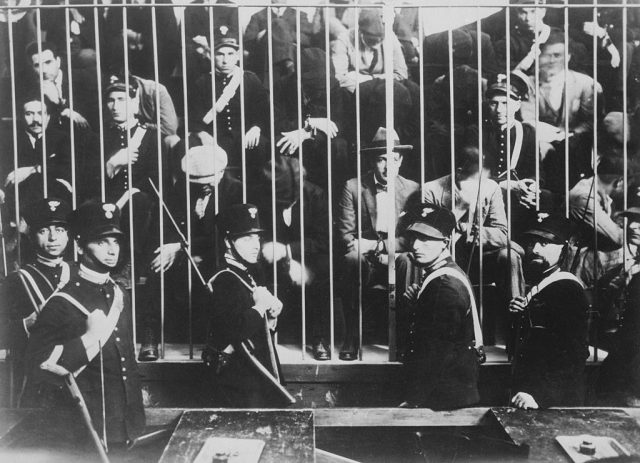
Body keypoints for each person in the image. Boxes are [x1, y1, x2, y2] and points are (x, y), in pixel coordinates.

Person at [22, 200, 145, 445]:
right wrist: (87, 339)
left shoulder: (121, 293)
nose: (112, 250)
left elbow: (127, 357)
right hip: (87, 423)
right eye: (101, 242)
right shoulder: (63, 301)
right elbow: (37, 365)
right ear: (79, 247)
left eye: (115, 241)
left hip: (127, 419)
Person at [137, 137, 242, 360]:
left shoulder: (235, 191)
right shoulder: (180, 189)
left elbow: (226, 236)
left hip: (219, 255)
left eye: (208, 180)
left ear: (222, 173)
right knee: (158, 263)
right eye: (196, 181)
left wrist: (182, 247)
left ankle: (221, 342)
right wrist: (171, 248)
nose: (203, 186)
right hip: (185, 255)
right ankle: (151, 336)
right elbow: (165, 226)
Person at [418, 145, 525, 346]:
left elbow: (502, 233)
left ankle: (517, 333)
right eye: (476, 181)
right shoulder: (431, 190)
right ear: (459, 173)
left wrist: (467, 229)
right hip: (444, 261)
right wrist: (459, 209)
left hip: (480, 260)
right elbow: (429, 238)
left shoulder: (490, 188)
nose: (480, 187)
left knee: (509, 257)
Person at [336, 127, 419, 361]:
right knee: (351, 259)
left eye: (392, 160)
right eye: (382, 160)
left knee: (409, 260)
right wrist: (368, 252)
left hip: (394, 256)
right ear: (373, 160)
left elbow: (412, 238)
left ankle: (404, 338)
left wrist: (379, 248)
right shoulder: (353, 187)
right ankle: (352, 335)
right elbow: (346, 235)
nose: (387, 166)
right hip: (366, 262)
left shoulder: (412, 189)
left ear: (400, 161)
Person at [203, 203, 292, 408]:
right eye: (247, 238)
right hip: (238, 383)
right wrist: (260, 306)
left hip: (253, 374)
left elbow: (256, 331)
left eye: (257, 238)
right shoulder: (224, 279)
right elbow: (236, 329)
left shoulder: (246, 273)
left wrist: (271, 318)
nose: (256, 245)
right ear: (228, 241)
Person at [398, 205, 480, 409]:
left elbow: (437, 352)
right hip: (444, 392)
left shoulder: (444, 284)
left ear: (446, 242)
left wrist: (415, 399)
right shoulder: (442, 276)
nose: (416, 246)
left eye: (425, 239)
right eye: (413, 238)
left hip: (442, 398)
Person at [250, 156, 331, 360]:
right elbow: (261, 234)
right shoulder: (262, 195)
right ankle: (261, 335)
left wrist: (289, 252)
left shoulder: (316, 195)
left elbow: (324, 241)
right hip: (271, 255)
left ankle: (319, 337)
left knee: (323, 268)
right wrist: (284, 258)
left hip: (306, 257)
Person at [509, 215, 589, 409]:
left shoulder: (567, 289)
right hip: (527, 393)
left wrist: (540, 394)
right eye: (531, 243)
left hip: (549, 399)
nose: (534, 249)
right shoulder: (541, 285)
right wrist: (517, 315)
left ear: (563, 248)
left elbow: (572, 353)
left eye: (544, 243)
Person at [0, 198, 72, 405]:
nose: (52, 238)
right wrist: (26, 324)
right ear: (32, 236)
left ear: (68, 235)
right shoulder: (17, 280)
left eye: (59, 230)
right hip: (37, 377)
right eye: (44, 231)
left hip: (79, 373)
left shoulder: (77, 274)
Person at [519, 30, 602, 193]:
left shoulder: (586, 84)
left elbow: (592, 122)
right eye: (546, 55)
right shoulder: (528, 84)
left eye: (557, 55)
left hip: (576, 145)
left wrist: (570, 135)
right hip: (541, 141)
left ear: (568, 57)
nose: (551, 60)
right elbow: (527, 119)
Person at [190, 28, 269, 183]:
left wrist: (256, 128)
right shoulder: (202, 82)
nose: (225, 60)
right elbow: (194, 117)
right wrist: (202, 134)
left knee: (261, 147)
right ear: (212, 56)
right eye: (220, 54)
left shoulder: (251, 80)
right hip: (214, 136)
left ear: (238, 57)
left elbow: (263, 112)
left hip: (245, 136)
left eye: (230, 54)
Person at [483, 72, 549, 239]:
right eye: (493, 103)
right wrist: (508, 185)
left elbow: (536, 170)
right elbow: (472, 176)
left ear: (517, 105)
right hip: (485, 196)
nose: (499, 110)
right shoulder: (477, 132)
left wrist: (531, 187)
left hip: (518, 197)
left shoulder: (527, 132)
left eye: (505, 103)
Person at [597, 207, 640, 406]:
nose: (632, 226)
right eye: (631, 220)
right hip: (623, 351)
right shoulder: (628, 267)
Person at [1, 94, 73, 210]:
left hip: (55, 200)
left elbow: (67, 168)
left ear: (48, 117)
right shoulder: (9, 141)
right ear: (20, 116)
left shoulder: (62, 138)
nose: (36, 120)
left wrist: (32, 170)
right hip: (19, 201)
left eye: (40, 113)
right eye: (29, 114)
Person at [568, 155, 624, 287]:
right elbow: (617, 238)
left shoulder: (599, 193)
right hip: (575, 261)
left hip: (589, 256)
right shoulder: (584, 195)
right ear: (619, 181)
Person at [26, 41, 98, 129]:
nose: (43, 70)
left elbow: (92, 119)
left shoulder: (83, 80)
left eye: (48, 62)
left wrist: (58, 102)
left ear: (58, 62)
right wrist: (62, 108)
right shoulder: (32, 90)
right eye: (37, 65)